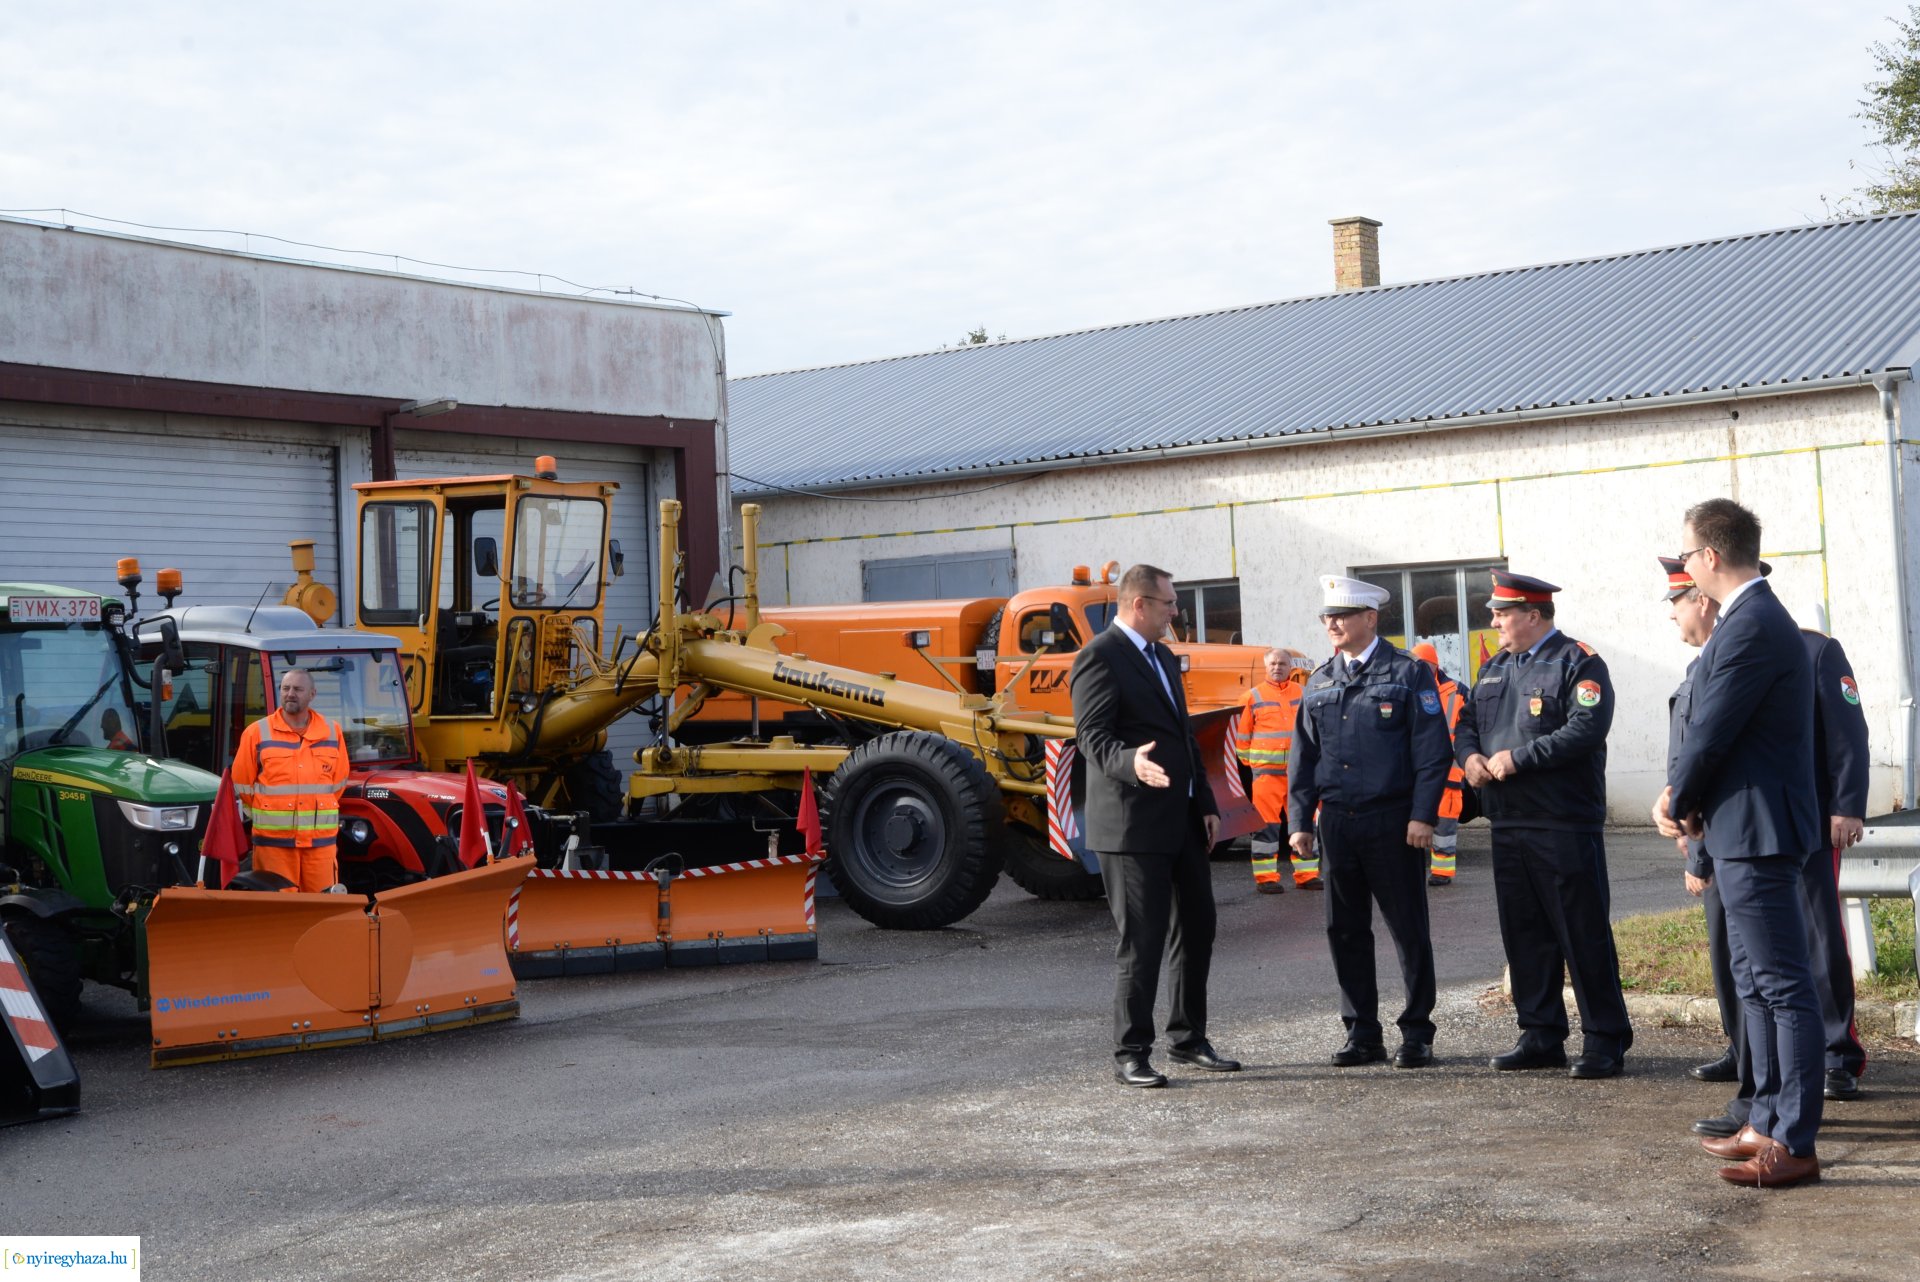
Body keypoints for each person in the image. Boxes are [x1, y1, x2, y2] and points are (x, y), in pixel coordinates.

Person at [1656, 498, 1824, 1188]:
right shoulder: (1744, 620)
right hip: (1739, 825)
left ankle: (1795, 1141)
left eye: (1687, 554)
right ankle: (1766, 1115)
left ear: (1711, 556)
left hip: (1758, 830)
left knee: (1783, 986)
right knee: (1756, 983)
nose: (1686, 566)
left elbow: (1713, 728)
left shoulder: (1753, 623)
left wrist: (1677, 799)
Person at [1456, 571, 1632, 1080]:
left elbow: (1586, 728)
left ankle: (1604, 1039)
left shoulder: (1578, 661)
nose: (1494, 622)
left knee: (1582, 933)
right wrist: (1469, 757)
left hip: (1562, 822)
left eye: (1502, 613)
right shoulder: (1494, 667)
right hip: (1508, 821)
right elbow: (1466, 723)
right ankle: (1540, 1034)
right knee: (1525, 934)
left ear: (1533, 615)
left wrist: (1520, 759)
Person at [1069, 564, 1236, 1088]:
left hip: (1181, 817)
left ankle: (1187, 1039)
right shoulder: (1099, 656)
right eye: (1169, 604)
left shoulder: (1162, 656)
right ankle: (1130, 1053)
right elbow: (1091, 736)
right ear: (1139, 604)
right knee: (1141, 940)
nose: (1176, 612)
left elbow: (1184, 736)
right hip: (1131, 824)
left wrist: (1205, 802)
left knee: (1198, 927)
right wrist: (1130, 764)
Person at [1287, 576, 1452, 1069]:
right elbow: (1303, 758)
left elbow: (1432, 751)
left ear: (1370, 618)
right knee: (1345, 931)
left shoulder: (1407, 673)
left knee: (1408, 930)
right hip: (1338, 823)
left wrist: (1423, 815)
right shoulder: (1319, 680)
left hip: (1393, 822)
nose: (1332, 624)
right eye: (1327, 617)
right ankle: (1361, 1033)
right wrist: (1300, 821)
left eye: (1341, 615)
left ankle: (1417, 1033)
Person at [231, 667, 351, 893]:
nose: (290, 694)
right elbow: (242, 784)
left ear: (312, 694)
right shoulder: (257, 732)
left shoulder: (332, 732)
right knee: (279, 907)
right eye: (285, 688)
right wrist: (268, 810)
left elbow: (338, 783)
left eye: (297, 689)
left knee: (323, 904)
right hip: (274, 844)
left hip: (319, 845)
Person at [1234, 649, 1317, 893]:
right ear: (1266, 666)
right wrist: (1256, 766)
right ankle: (1266, 878)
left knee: (1305, 824)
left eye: (1282, 663)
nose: (1277, 667)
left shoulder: (1304, 693)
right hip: (1266, 776)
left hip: (1299, 775)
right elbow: (1242, 739)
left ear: (1291, 667)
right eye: (1273, 663)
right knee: (1265, 827)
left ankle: (1308, 875)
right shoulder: (1251, 697)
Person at [1410, 643, 1467, 887]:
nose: (1420, 669)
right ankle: (1410, 871)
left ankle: (1442, 872)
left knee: (1445, 822)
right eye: (1416, 665)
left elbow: (1470, 729)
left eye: (1424, 664)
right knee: (1412, 823)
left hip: (1449, 772)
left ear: (1435, 665)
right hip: (1415, 772)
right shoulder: (1406, 688)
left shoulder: (1458, 691)